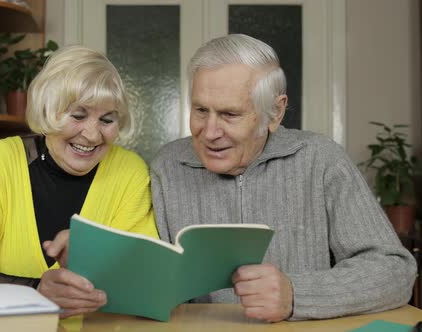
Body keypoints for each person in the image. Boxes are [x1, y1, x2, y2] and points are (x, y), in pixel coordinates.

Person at [150, 34, 416, 322]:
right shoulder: (167, 166)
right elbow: (154, 279)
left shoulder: (321, 159)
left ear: (274, 112)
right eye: (201, 110)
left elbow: (394, 270)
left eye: (230, 114)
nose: (210, 132)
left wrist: (296, 295)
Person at [0, 45, 158, 318]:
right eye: (78, 115)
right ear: (48, 109)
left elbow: (147, 281)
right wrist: (37, 292)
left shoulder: (130, 172)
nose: (92, 135)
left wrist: (95, 257)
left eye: (107, 119)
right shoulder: (1, 160)